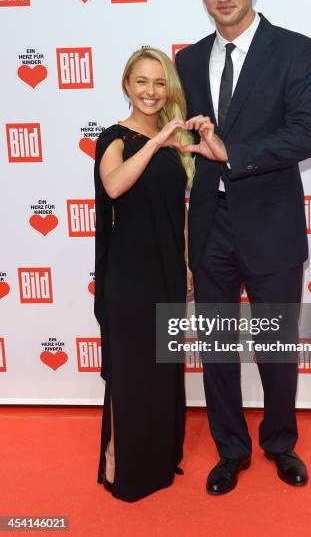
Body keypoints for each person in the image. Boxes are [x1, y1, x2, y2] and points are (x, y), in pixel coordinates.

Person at [175, 0, 311, 494]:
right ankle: (230, 450)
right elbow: (180, 144)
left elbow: (309, 133)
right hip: (209, 225)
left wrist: (233, 152)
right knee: (215, 347)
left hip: (271, 222)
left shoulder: (296, 51)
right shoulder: (187, 60)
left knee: (275, 346)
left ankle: (280, 444)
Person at [94, 48, 194, 502]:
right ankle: (118, 458)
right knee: (130, 372)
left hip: (168, 270)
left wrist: (188, 263)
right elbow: (114, 186)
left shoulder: (178, 143)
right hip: (129, 275)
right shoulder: (114, 137)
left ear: (168, 88)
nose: (150, 91)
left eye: (159, 83)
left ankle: (156, 458)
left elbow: (180, 213)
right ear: (126, 85)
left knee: (162, 369)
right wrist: (154, 142)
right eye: (141, 81)